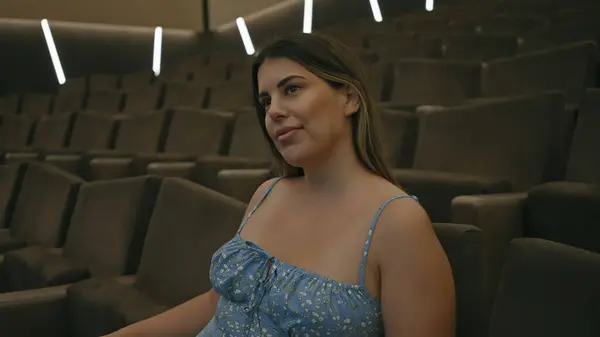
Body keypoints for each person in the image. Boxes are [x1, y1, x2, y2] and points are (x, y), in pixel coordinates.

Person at [104, 33, 455, 336]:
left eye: (292, 89)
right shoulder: (267, 193)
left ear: (348, 98)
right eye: (266, 100)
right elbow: (221, 303)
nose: (273, 111)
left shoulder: (398, 222)